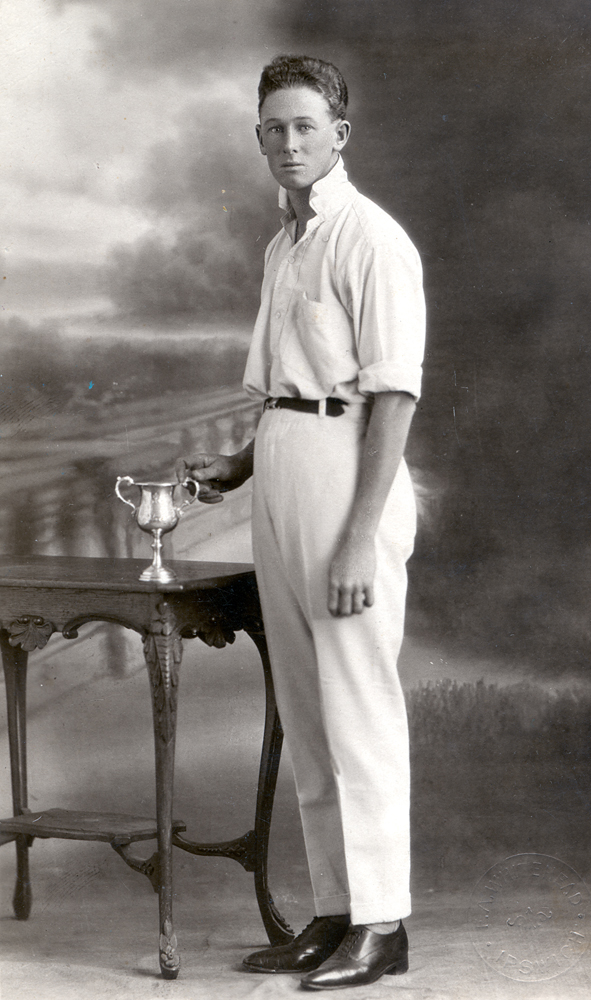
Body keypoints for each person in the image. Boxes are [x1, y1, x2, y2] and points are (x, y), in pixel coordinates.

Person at [177, 54, 426, 991]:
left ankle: (384, 925)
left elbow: (391, 398)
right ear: (258, 139)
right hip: (283, 466)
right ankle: (333, 912)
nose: (287, 144)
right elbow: (288, 389)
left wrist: (360, 535)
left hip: (349, 477)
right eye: (272, 129)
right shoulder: (286, 246)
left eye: (304, 128)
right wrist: (237, 467)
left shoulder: (371, 240)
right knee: (308, 707)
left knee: (357, 703)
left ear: (340, 137)